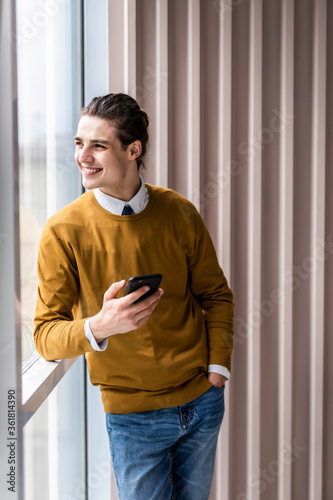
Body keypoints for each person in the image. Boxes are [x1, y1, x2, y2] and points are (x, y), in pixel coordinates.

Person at [34, 93, 234, 500]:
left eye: (98, 145)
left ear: (133, 149)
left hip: (201, 402)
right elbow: (45, 335)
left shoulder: (179, 212)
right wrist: (99, 326)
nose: (83, 156)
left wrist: (217, 370)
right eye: (78, 143)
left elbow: (216, 295)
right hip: (133, 419)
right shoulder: (63, 230)